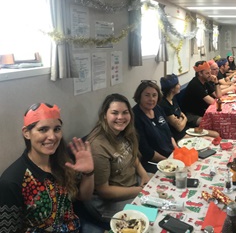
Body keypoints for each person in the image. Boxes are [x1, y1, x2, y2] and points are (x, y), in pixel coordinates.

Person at [0, 103, 94, 232]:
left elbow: (84, 197)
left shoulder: (63, 162)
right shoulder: (11, 181)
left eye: (56, 129)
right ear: (26, 133)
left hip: (75, 227)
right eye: (43, 129)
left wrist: (88, 173)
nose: (52, 137)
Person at [86, 94, 150, 221]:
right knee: (152, 216)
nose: (120, 117)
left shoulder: (123, 131)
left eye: (125, 112)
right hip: (110, 202)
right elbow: (104, 191)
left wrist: (144, 175)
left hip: (132, 184)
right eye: (115, 113)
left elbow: (132, 156)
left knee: (165, 187)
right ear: (105, 115)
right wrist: (139, 190)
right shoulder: (98, 146)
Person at [133, 82, 178, 173]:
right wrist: (168, 161)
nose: (151, 99)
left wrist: (177, 150)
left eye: (154, 95)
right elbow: (145, 150)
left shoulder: (158, 109)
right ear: (139, 96)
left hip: (170, 155)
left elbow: (169, 134)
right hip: (153, 161)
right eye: (147, 95)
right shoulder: (135, 116)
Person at [159, 73, 219, 140]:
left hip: (186, 128)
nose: (180, 85)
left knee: (216, 134)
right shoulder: (164, 104)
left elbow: (181, 115)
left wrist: (182, 119)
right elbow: (179, 128)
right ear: (172, 89)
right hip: (178, 135)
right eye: (178, 84)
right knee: (211, 139)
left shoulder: (173, 98)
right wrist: (184, 118)